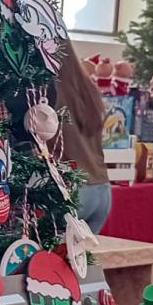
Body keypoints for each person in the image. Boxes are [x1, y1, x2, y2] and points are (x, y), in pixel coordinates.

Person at [53, 40, 111, 232]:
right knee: (84, 261)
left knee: (45, 261)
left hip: (72, 190)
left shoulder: (49, 89)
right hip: (101, 189)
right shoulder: (88, 87)